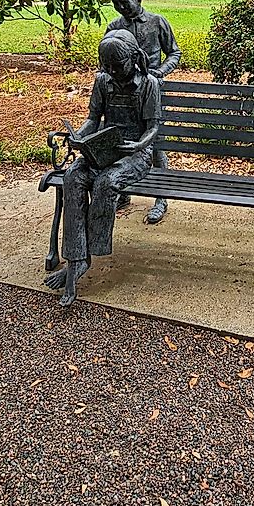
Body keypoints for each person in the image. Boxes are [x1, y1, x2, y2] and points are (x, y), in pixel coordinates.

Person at [43, 29, 160, 306]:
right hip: (104, 149)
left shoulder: (148, 84)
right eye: (106, 65)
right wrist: (80, 138)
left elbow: (153, 127)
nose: (112, 71)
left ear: (133, 58)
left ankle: (90, 255)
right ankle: (76, 258)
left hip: (136, 154)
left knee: (106, 182)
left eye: (117, 65)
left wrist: (138, 146)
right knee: (73, 176)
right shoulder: (102, 81)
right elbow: (93, 119)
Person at [104, 0, 180, 224]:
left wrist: (158, 73)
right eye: (116, 4)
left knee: (155, 143)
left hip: (152, 90)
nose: (121, 8)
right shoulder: (114, 27)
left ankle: (161, 197)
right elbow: (107, 60)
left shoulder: (157, 23)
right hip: (124, 94)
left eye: (125, 2)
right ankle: (123, 191)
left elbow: (174, 53)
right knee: (122, 140)